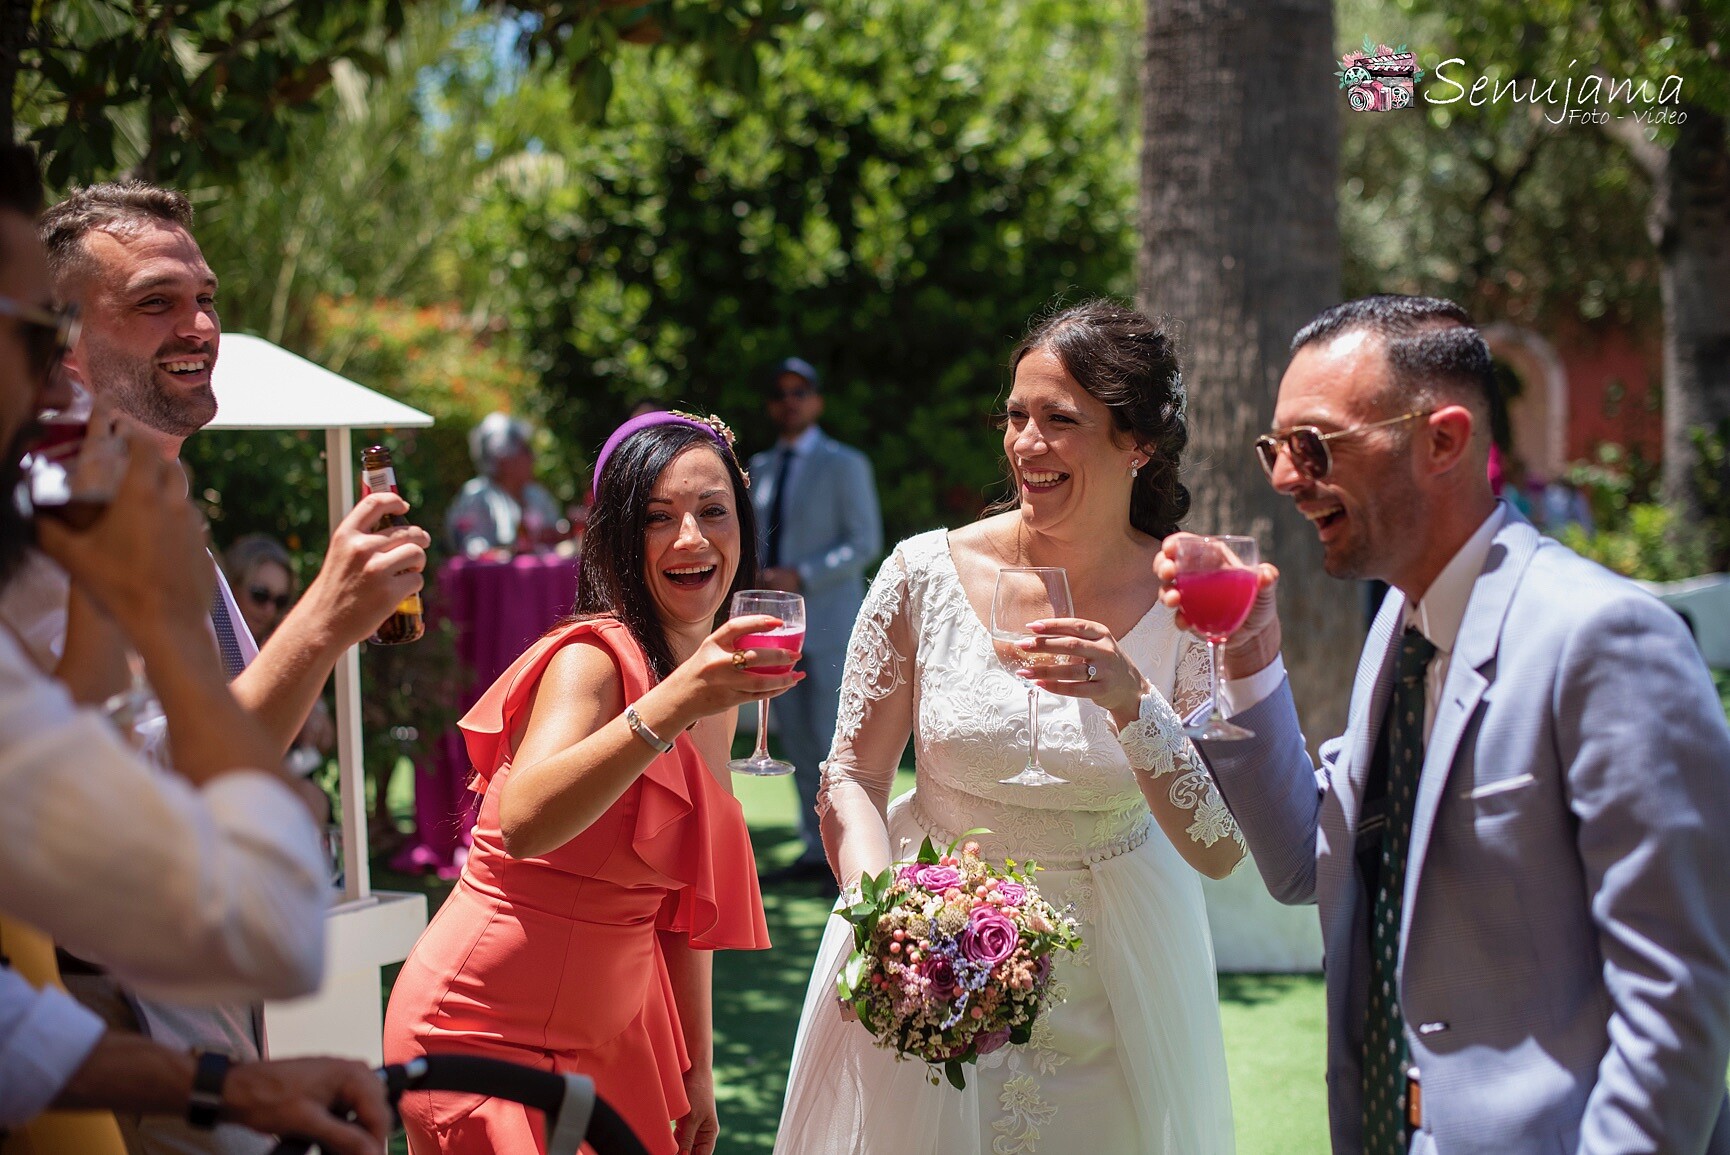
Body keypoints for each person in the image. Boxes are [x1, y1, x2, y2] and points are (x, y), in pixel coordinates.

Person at [1164, 295, 1730, 1153]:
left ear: (1444, 440)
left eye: (1314, 444)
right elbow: (1299, 862)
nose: (1283, 477)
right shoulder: (1399, 628)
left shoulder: (1605, 639)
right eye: (1275, 448)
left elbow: (1678, 998)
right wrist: (1248, 654)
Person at [776, 301, 1244, 1154]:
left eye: (1060, 420)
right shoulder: (922, 571)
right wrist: (886, 918)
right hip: (928, 960)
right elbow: (852, 776)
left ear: (1136, 442)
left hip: (1114, 980)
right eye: (1017, 415)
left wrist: (1133, 701)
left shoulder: (1191, 594)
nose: (1027, 445)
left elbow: (1219, 846)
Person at [0, 141, 388, 1155]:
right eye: (155, 303)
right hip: (108, 1016)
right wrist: (325, 617)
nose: (202, 327)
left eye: (207, 299)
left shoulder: (143, 502)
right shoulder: (45, 531)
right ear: (62, 343)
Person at [384, 411, 794, 1155]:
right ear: (615, 537)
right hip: (483, 1030)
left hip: (612, 1039)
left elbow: (680, 903)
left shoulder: (710, 691)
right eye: (657, 518)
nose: (691, 539)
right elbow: (524, 821)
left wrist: (697, 1065)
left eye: (712, 512)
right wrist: (677, 701)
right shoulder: (592, 659)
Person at [745, 357, 882, 882]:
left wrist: (801, 573)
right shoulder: (760, 467)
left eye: (799, 391)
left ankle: (855, 851)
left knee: (835, 740)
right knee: (797, 739)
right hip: (777, 627)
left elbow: (864, 542)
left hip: (828, 623)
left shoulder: (845, 464)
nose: (789, 401)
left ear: (817, 400)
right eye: (779, 393)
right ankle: (813, 847)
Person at [222, 534, 334, 797]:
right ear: (233, 586)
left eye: (280, 600)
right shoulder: (212, 643)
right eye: (259, 595)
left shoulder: (280, 647)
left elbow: (326, 736)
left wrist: (311, 716)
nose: (269, 609)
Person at [445, 411, 565, 557]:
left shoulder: (536, 493)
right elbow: (471, 546)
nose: (533, 457)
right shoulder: (476, 495)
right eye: (525, 450)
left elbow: (558, 534)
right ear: (504, 459)